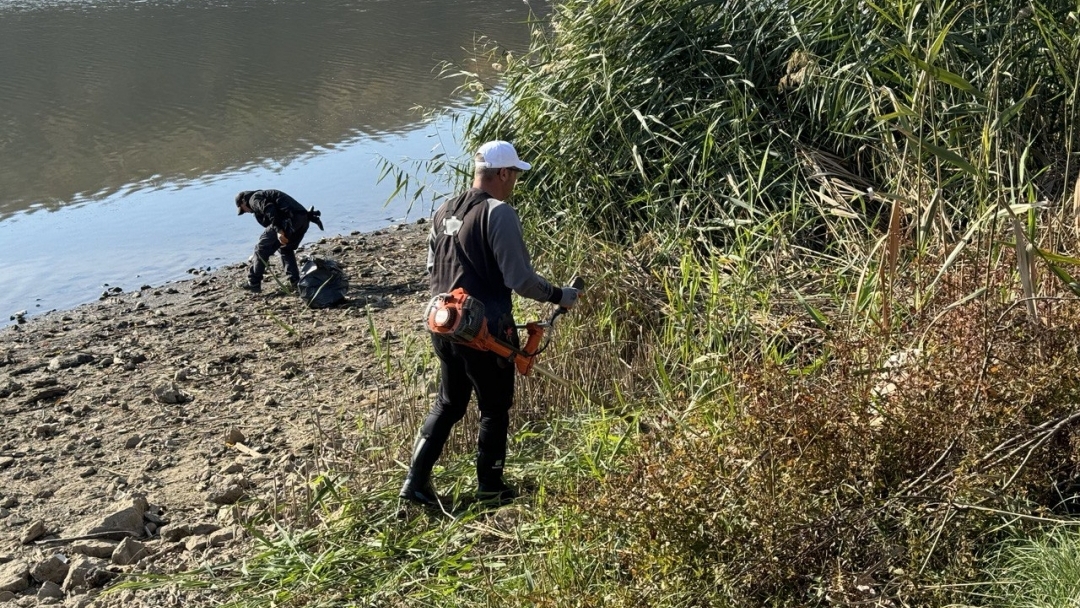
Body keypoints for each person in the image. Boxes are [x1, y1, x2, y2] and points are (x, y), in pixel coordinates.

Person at [399, 140, 580, 507]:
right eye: (513, 174)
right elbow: (521, 280)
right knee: (495, 409)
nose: (514, 181)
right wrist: (561, 295)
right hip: (486, 333)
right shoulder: (499, 214)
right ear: (502, 173)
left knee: (448, 405)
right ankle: (491, 488)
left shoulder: (443, 210)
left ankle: (414, 486)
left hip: (444, 325)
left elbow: (432, 272)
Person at [235, 189, 324, 293]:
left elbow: (269, 208)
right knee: (286, 249)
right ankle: (295, 281)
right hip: (303, 220)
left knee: (260, 248)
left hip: (288, 221)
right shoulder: (265, 195)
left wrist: (279, 230)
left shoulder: (253, 199)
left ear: (243, 202)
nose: (247, 211)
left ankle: (253, 283)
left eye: (243, 209)